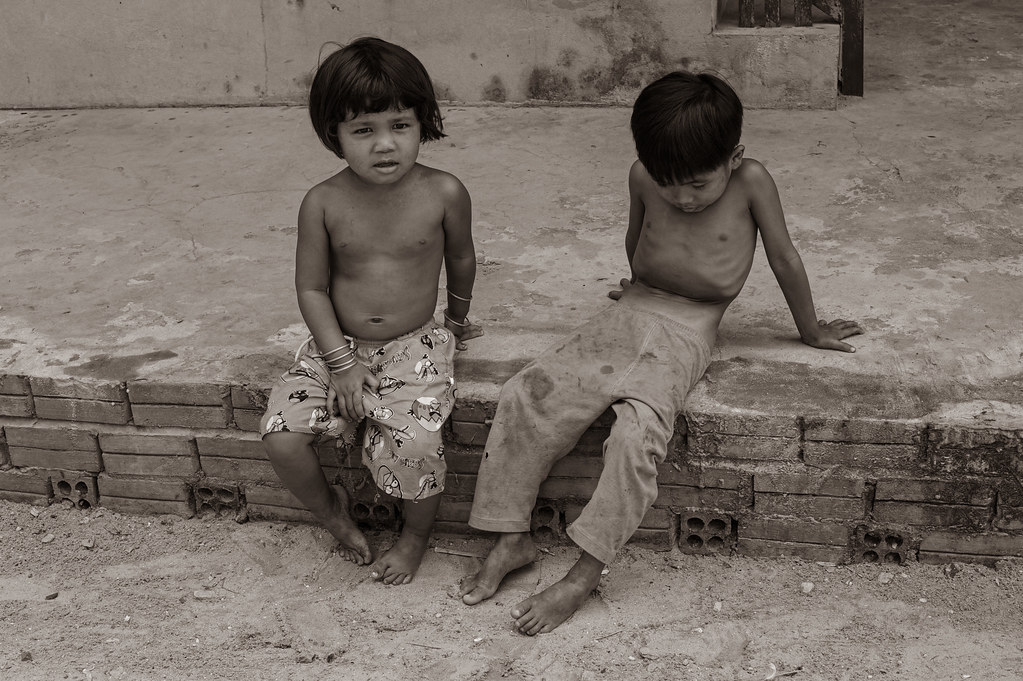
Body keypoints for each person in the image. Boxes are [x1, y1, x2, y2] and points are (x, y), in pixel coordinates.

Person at [459, 71, 863, 633]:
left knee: (635, 438)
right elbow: (639, 234)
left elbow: (784, 258)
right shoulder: (643, 174)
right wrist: (636, 284)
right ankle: (510, 538)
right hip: (627, 314)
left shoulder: (751, 181)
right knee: (526, 393)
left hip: (685, 331)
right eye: (671, 185)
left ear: (734, 157)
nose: (683, 198)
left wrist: (811, 329)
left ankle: (583, 575)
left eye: (697, 184)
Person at [260, 37, 481, 585]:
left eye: (400, 125)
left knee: (416, 445)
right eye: (363, 130)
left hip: (414, 347)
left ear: (423, 123)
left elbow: (461, 258)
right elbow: (311, 288)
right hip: (335, 346)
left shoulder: (444, 192)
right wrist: (340, 362)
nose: (385, 144)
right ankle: (332, 513)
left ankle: (415, 536)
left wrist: (455, 322)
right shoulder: (323, 202)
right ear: (333, 134)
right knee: (281, 436)